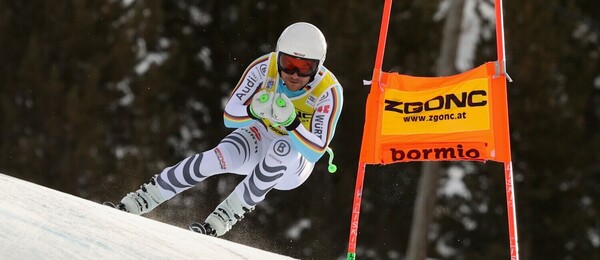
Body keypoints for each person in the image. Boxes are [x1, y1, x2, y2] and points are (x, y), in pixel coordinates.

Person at [110, 22, 344, 237]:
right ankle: (141, 199)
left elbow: (316, 150)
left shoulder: (328, 91)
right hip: (260, 135)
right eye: (289, 64)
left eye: (304, 68)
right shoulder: (265, 67)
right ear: (278, 56)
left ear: (318, 66)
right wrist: (253, 112)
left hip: (294, 161)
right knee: (217, 157)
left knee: (282, 147)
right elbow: (230, 116)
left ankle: (224, 218)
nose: (294, 75)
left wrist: (292, 123)